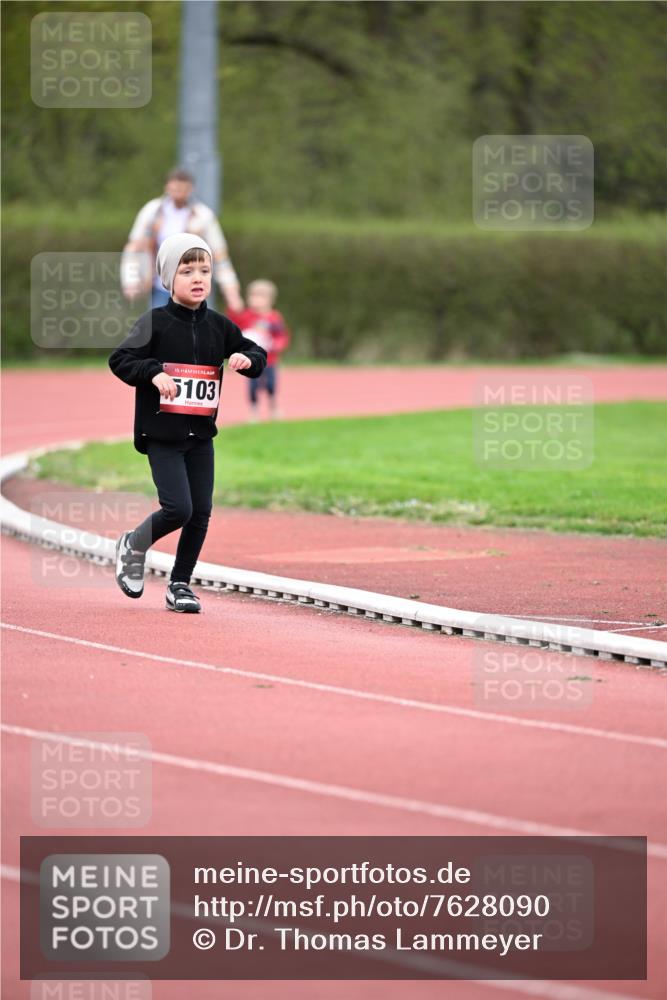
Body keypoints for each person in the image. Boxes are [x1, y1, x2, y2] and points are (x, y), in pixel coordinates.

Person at [109, 233, 266, 613]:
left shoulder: (218, 325)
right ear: (168, 278)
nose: (198, 277)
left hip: (200, 436)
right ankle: (134, 543)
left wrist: (248, 360)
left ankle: (180, 584)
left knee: (201, 512)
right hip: (162, 433)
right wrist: (152, 372)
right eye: (187, 270)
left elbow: (253, 350)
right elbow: (120, 359)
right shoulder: (155, 322)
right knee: (178, 508)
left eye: (205, 270)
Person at [120, 168, 244, 310]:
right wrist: (130, 280)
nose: (178, 194)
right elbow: (134, 247)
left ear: (191, 189)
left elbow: (219, 253)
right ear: (167, 187)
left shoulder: (202, 216)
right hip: (161, 286)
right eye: (175, 189)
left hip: (193, 285)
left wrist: (231, 290)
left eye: (183, 189)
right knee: (161, 327)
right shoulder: (152, 212)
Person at [227, 280, 290, 421]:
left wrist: (277, 345)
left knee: (271, 385)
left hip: (271, 361)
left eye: (260, 297)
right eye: (253, 296)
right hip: (251, 360)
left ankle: (273, 407)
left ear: (270, 300)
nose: (255, 300)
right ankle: (254, 410)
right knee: (253, 386)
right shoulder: (246, 316)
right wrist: (232, 302)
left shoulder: (274, 318)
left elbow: (281, 336)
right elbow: (233, 320)